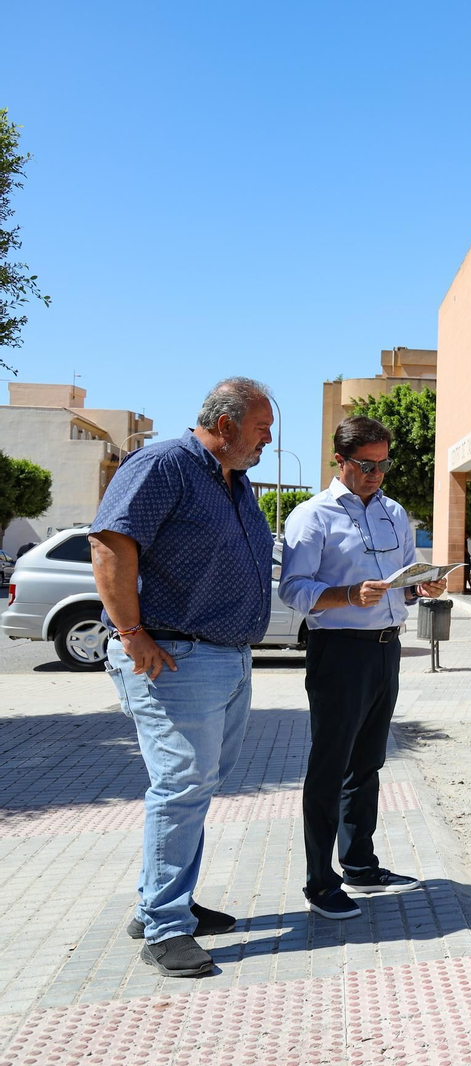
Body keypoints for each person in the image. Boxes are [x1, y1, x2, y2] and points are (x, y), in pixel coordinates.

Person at [89, 378, 276, 978]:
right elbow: (111, 543)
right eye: (260, 429)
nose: (266, 442)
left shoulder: (235, 483)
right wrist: (131, 633)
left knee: (198, 786)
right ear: (225, 425)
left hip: (225, 657)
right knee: (180, 786)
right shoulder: (165, 464)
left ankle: (161, 905)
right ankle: (166, 927)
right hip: (173, 657)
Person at [278, 416, 446, 920]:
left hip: (385, 648)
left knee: (368, 763)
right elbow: (292, 590)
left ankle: (358, 862)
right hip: (339, 652)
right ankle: (320, 881)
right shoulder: (313, 516)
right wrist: (346, 595)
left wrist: (423, 587)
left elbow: (405, 578)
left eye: (383, 464)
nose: (376, 474)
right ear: (340, 461)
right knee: (329, 767)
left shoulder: (395, 512)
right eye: (365, 465)